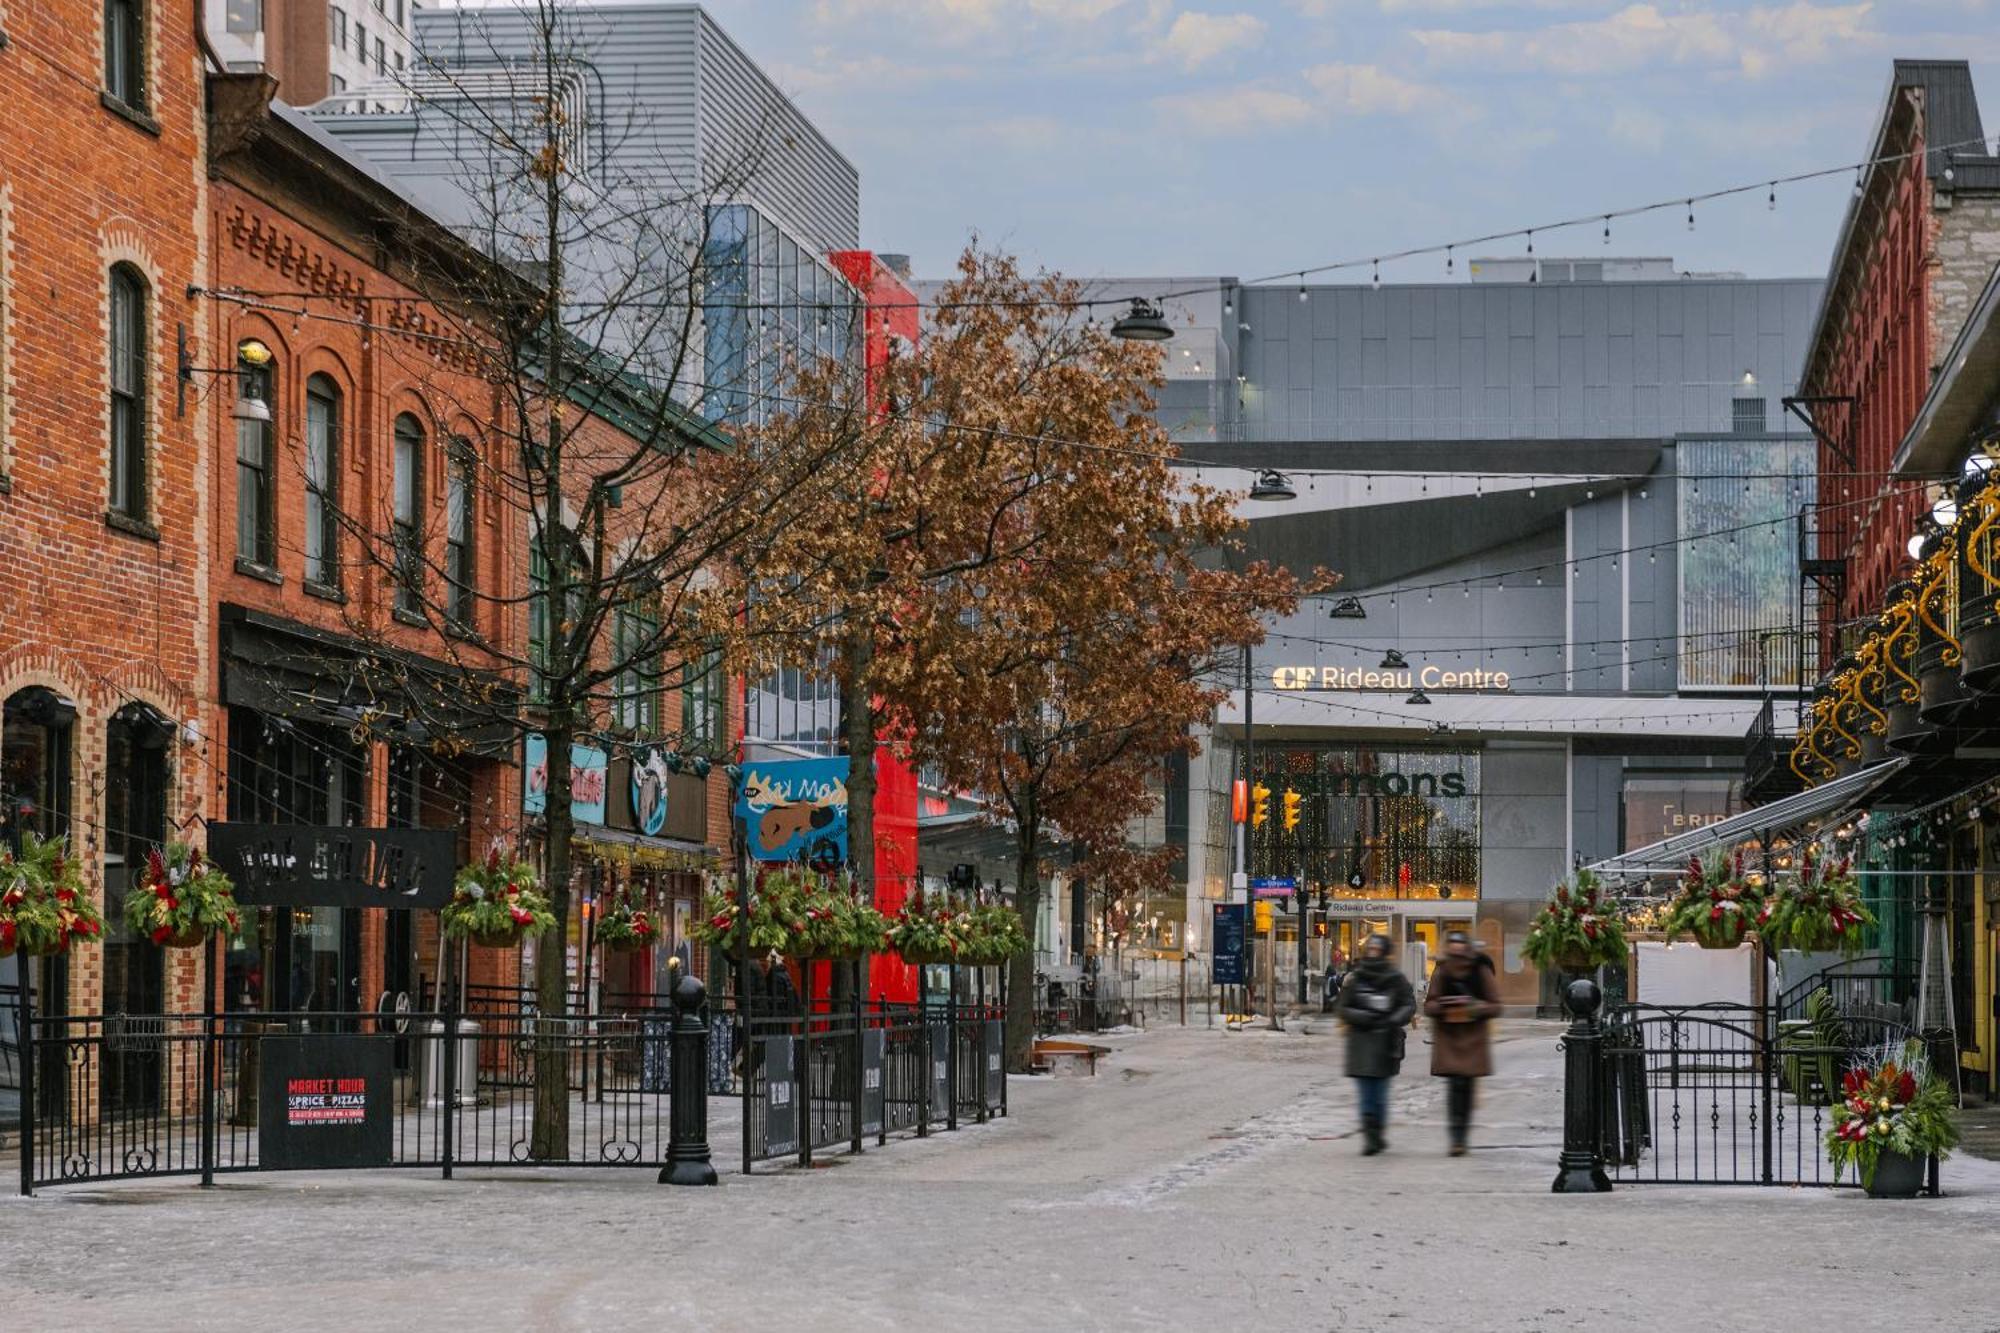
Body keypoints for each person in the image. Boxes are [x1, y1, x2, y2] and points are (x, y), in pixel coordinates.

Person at [1333, 933, 1416, 1155]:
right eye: (1370, 949)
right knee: (1366, 1094)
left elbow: (1408, 1004)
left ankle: (1377, 1132)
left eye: (1377, 950)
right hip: (1361, 1043)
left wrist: (1393, 1019)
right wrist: (1363, 1016)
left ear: (1385, 952)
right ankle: (1370, 1136)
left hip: (1386, 1042)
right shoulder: (1356, 978)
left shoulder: (1395, 978)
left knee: (1380, 1094)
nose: (1373, 953)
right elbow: (1342, 1008)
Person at [1423, 931, 1502, 1156]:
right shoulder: (1442, 970)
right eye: (1453, 945)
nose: (1456, 950)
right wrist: (1442, 1007)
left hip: (1473, 1037)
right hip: (1449, 1037)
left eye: (1460, 945)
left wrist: (1474, 1007)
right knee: (1455, 1087)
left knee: (1465, 1087)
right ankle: (1456, 1137)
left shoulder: (1480, 969)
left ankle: (1461, 1135)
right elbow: (1429, 1004)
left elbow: (1495, 1005)